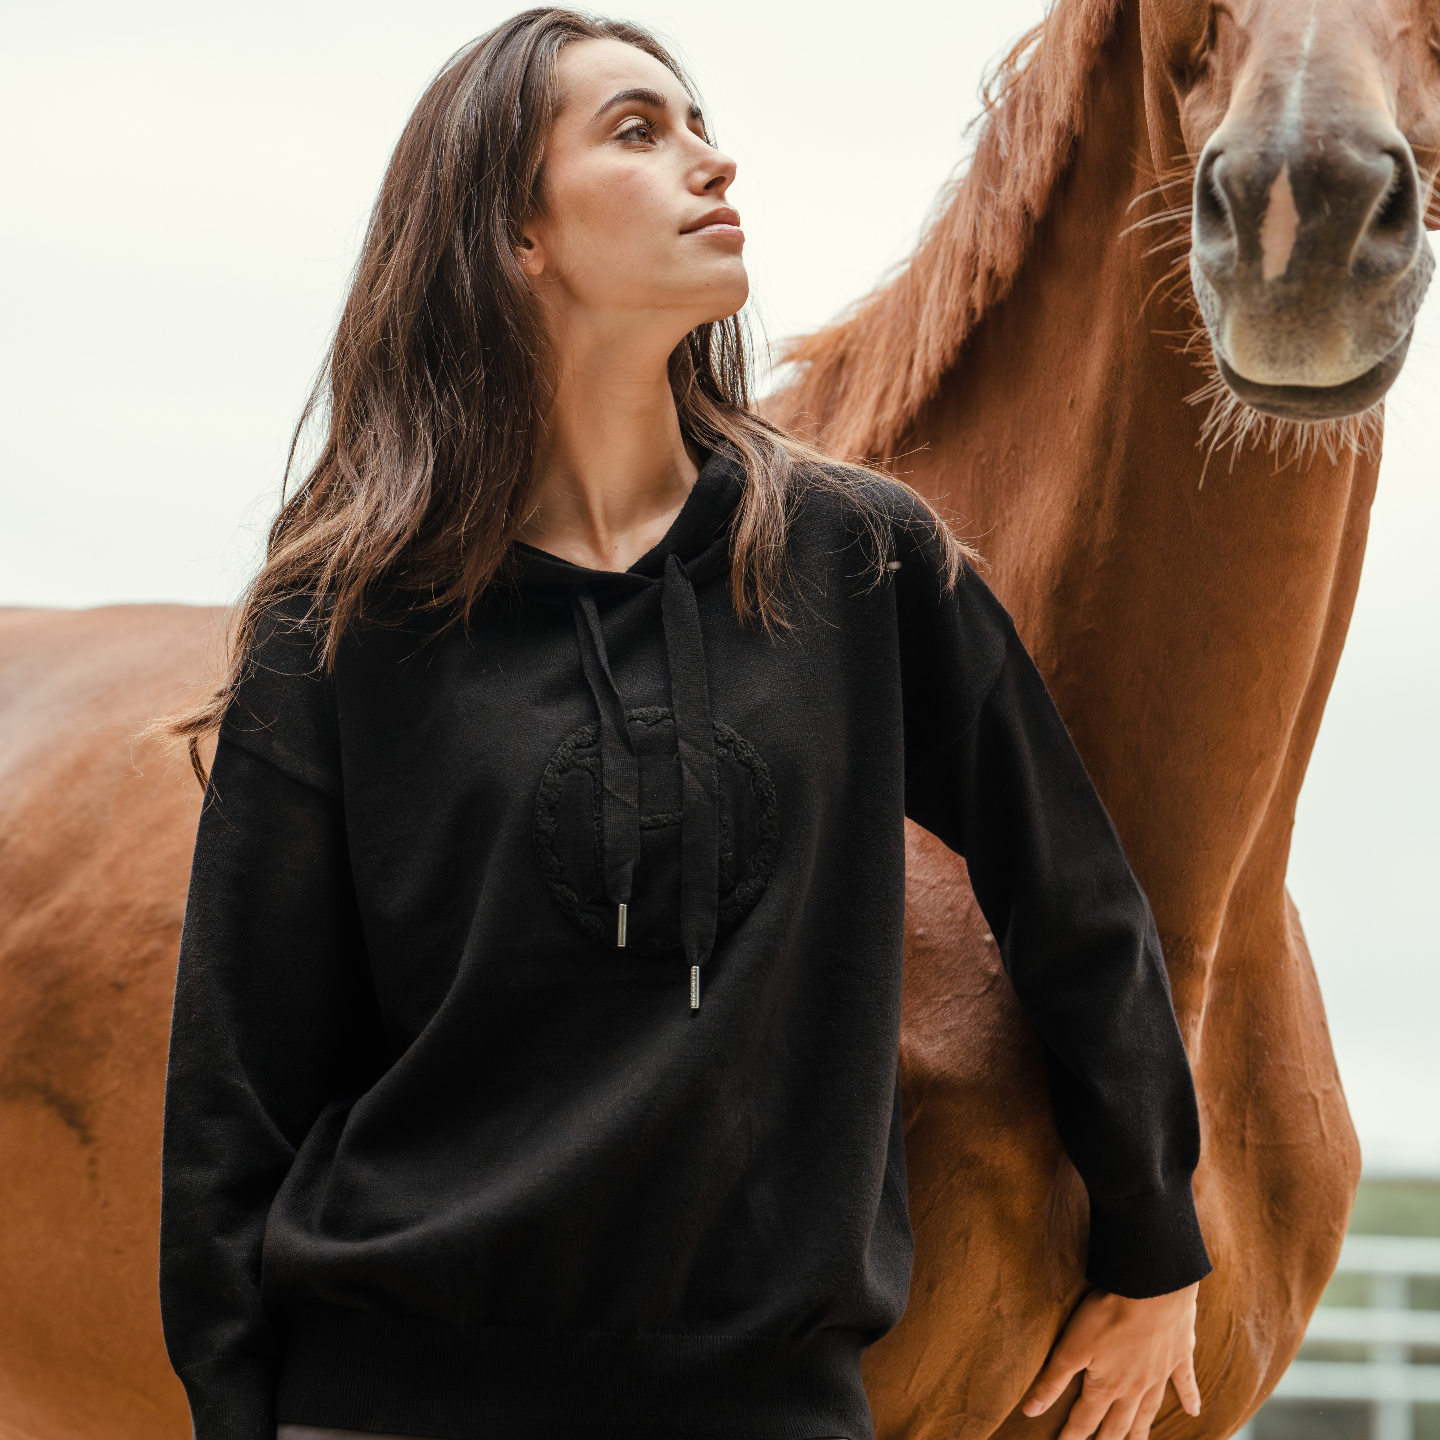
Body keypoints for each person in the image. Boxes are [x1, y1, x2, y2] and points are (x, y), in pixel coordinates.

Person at [158, 10, 1213, 1440]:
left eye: (700, 124)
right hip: (393, 1395)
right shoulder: (341, 620)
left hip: (766, 1403)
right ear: (513, 233)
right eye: (638, 132)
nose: (713, 162)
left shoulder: (857, 560)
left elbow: (1072, 894)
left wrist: (1155, 1239)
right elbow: (237, 1083)